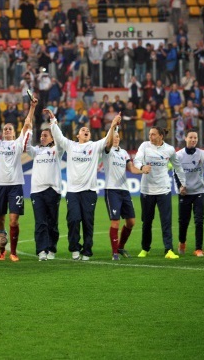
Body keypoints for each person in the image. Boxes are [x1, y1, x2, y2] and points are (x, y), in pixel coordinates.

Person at [50, 108, 121, 260]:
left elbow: (108, 141)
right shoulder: (71, 146)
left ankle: (87, 251)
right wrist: (53, 122)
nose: (86, 131)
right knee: (73, 220)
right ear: (77, 135)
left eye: (87, 130)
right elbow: (59, 137)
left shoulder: (94, 146)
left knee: (88, 222)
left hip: (89, 191)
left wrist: (113, 125)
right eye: (83, 129)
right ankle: (75, 248)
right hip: (73, 191)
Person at [0, 97, 36, 262]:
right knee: (0, 220)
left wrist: (32, 107)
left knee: (13, 220)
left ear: (14, 132)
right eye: (5, 129)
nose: (6, 131)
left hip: (15, 186)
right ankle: (1, 250)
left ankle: (13, 252)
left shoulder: (18, 143)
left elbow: (27, 124)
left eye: (9, 129)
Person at [133, 126, 186, 259]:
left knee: (166, 221)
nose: (150, 137)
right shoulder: (145, 146)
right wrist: (142, 167)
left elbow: (178, 167)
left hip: (164, 190)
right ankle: (145, 248)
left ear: (161, 136)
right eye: (150, 134)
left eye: (153, 134)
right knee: (147, 221)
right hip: (147, 190)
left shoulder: (169, 149)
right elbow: (136, 160)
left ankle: (168, 250)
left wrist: (183, 183)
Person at [25, 110, 65, 261]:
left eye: (45, 135)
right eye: (41, 135)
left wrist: (53, 121)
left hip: (52, 190)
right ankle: (42, 250)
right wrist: (28, 128)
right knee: (40, 222)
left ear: (52, 138)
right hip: (37, 192)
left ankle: (52, 249)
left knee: (52, 223)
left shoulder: (57, 150)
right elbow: (27, 146)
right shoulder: (36, 151)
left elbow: (60, 139)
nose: (42, 137)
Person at [174, 129, 204, 257]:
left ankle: (198, 249)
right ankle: (182, 242)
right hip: (184, 193)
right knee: (183, 221)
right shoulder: (178, 155)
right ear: (185, 138)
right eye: (191, 137)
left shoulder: (201, 153)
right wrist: (180, 187)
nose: (193, 140)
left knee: (199, 221)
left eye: (195, 138)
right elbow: (176, 173)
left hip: (199, 191)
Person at [103, 129, 143, 260]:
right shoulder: (107, 150)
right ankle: (114, 252)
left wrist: (143, 170)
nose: (116, 138)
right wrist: (114, 126)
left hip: (124, 190)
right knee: (115, 222)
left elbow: (131, 168)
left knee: (131, 222)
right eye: (113, 136)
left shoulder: (124, 153)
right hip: (112, 190)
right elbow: (108, 143)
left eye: (118, 136)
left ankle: (120, 246)